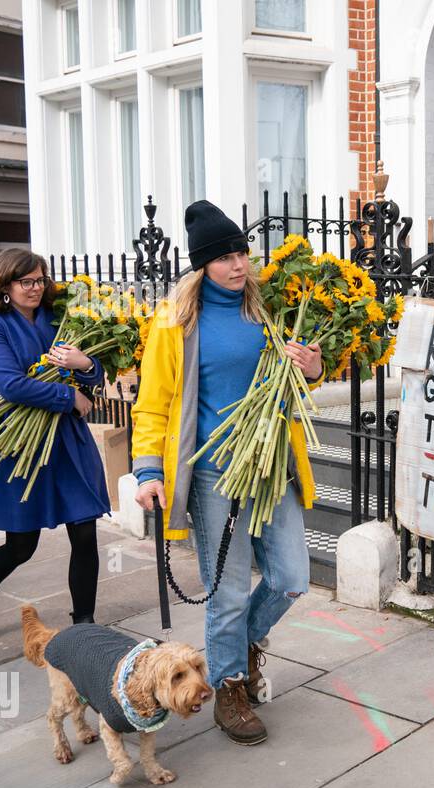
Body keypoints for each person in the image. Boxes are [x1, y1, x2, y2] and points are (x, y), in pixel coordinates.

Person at [131, 201, 323, 746]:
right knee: (229, 590)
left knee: (291, 579)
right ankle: (230, 688)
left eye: (242, 253)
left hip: (271, 467)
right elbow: (154, 404)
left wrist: (311, 368)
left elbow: (294, 375)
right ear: (202, 265)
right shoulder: (175, 323)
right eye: (224, 257)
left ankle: (243, 648)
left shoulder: (265, 311)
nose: (239, 265)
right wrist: (148, 470)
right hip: (216, 474)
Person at [0, 249, 110, 642]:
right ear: (6, 286)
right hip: (19, 445)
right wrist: (68, 398)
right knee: (22, 545)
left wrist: (86, 365)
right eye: (27, 282)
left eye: (40, 280)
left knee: (85, 532)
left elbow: (95, 376)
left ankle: (84, 627)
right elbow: (10, 384)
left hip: (68, 442)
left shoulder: (62, 318)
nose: (36, 288)